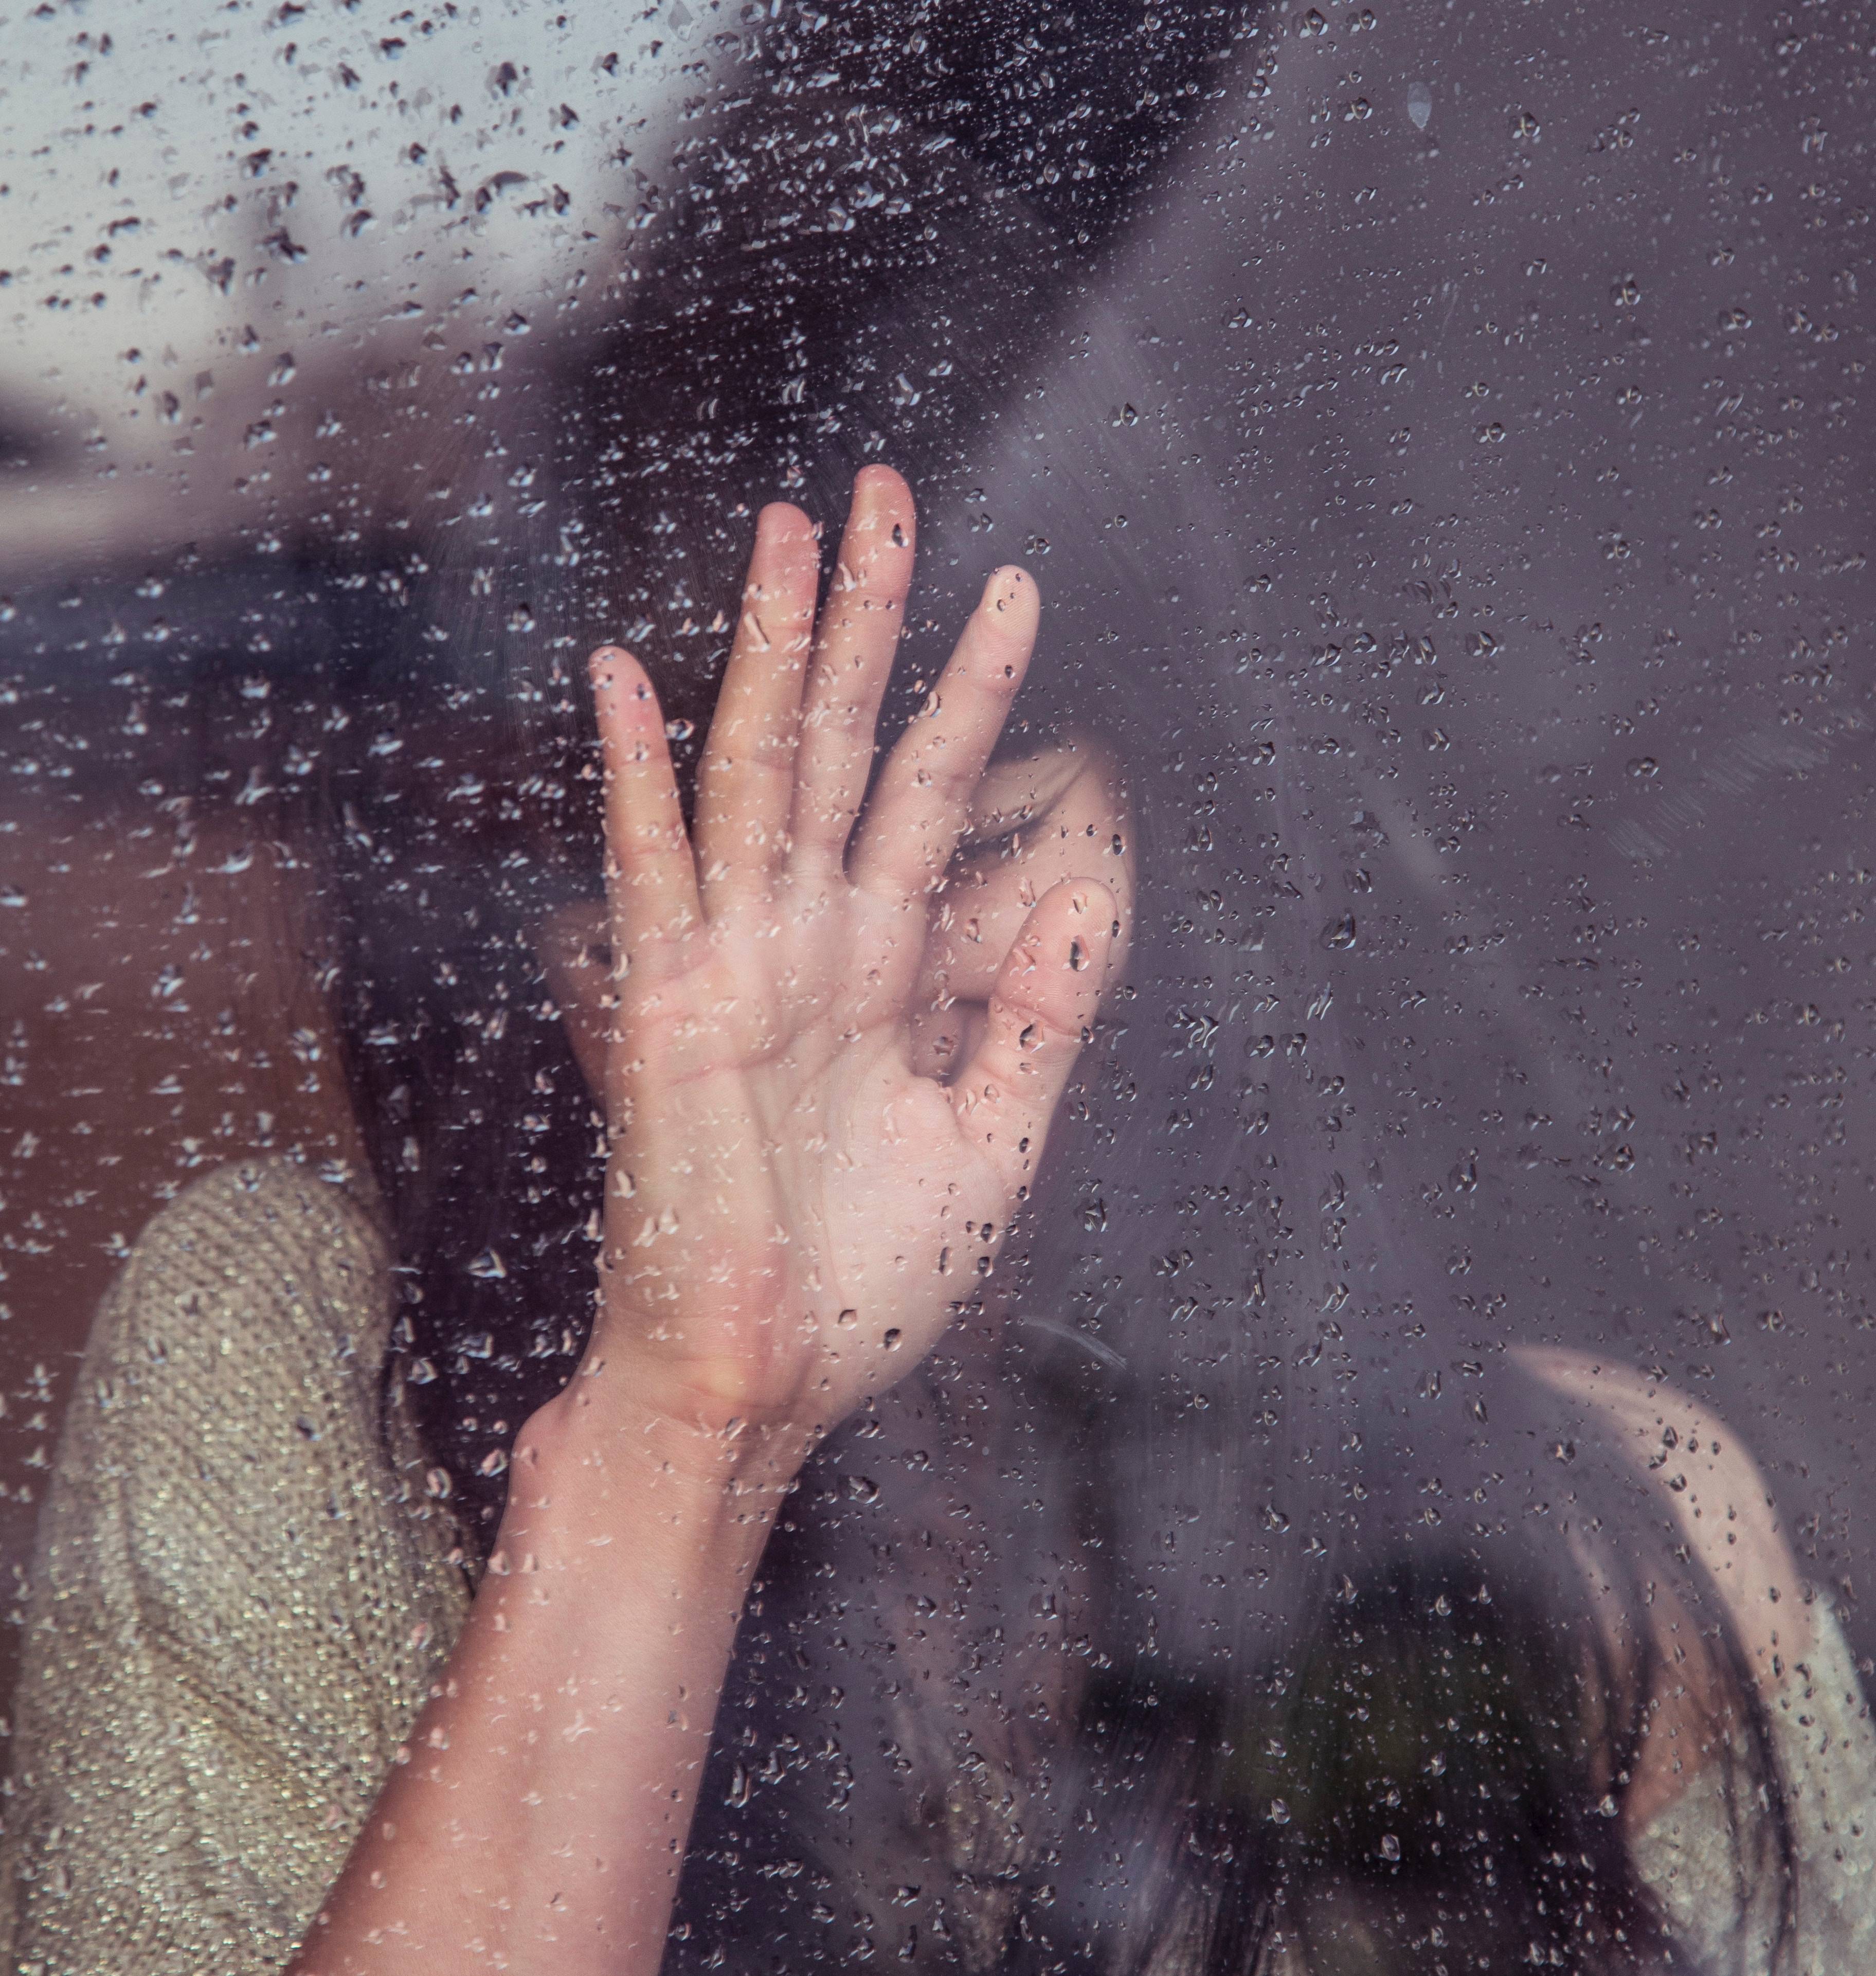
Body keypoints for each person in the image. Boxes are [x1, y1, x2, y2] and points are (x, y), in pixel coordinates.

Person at [3, 461, 1872, 1976]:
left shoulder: (1578, 1541)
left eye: (965, 852)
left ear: (1187, 828)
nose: (848, 1002)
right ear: (542, 974)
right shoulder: (310, 1384)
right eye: (689, 907)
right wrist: (689, 1429)